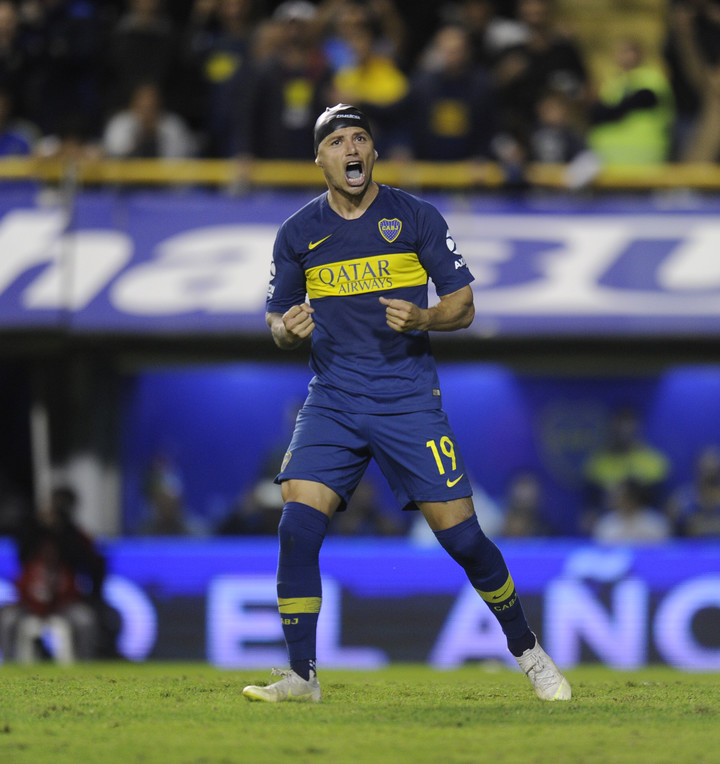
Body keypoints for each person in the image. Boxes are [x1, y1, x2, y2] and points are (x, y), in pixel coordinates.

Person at [242, 103, 571, 704]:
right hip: (333, 399)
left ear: (373, 151)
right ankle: (301, 675)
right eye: (337, 141)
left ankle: (528, 651)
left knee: (465, 540)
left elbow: (464, 304)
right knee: (296, 525)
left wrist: (425, 316)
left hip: (407, 399)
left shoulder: (415, 216)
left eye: (360, 139)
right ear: (319, 158)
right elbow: (277, 317)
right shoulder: (297, 233)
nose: (351, 150)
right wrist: (286, 331)